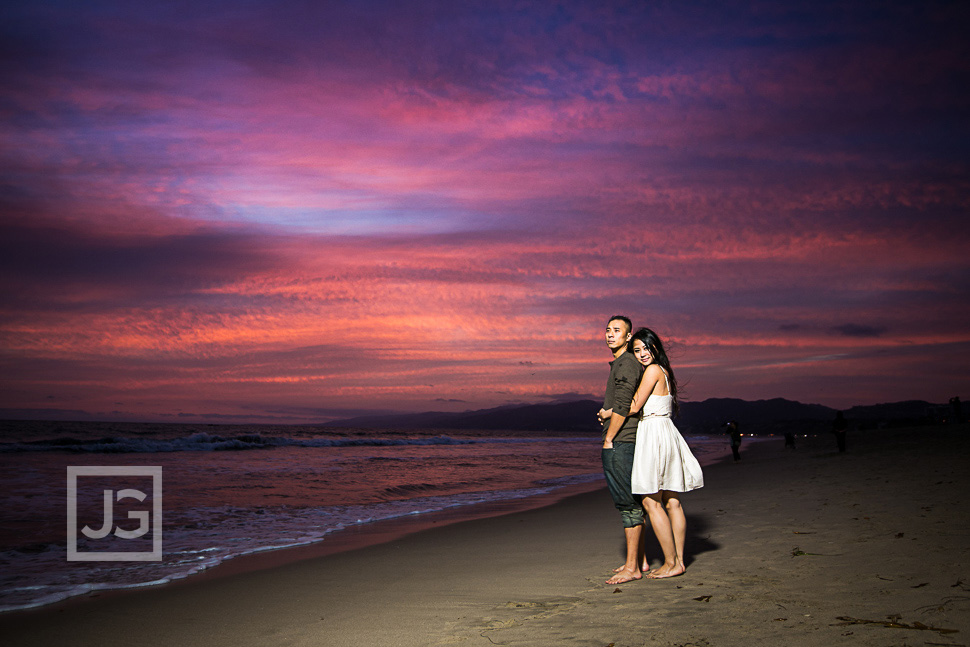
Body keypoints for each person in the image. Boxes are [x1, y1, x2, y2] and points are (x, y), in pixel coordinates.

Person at [627, 327, 704, 579]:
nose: (642, 354)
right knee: (672, 501)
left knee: (651, 501)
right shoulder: (665, 371)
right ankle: (679, 562)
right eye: (636, 350)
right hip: (667, 433)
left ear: (656, 347)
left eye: (646, 348)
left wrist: (608, 411)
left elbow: (634, 405)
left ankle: (671, 562)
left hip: (654, 434)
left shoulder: (651, 371)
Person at [597, 315, 647, 584]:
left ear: (629, 337)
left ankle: (633, 568)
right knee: (633, 502)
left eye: (617, 331)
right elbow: (619, 403)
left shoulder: (627, 362)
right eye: (607, 330)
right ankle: (640, 561)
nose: (610, 334)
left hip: (621, 441)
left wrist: (609, 439)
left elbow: (625, 403)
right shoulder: (622, 362)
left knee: (628, 505)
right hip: (623, 439)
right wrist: (607, 413)